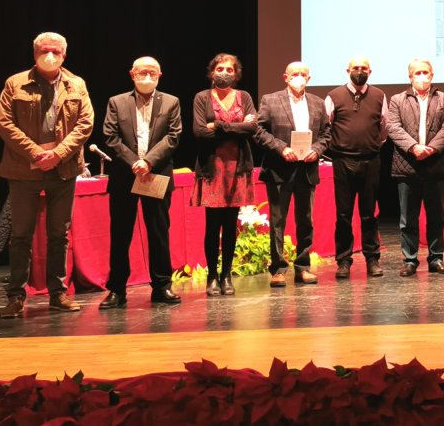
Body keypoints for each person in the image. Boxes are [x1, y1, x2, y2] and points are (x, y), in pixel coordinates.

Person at [0, 32, 94, 318]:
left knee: (58, 234)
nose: (49, 55)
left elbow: (85, 123)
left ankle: (57, 293)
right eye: (43, 50)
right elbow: (5, 124)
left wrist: (58, 154)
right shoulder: (15, 83)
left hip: (62, 170)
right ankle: (16, 296)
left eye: (54, 51)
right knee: (21, 235)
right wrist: (36, 153)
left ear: (64, 55)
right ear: (34, 53)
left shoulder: (77, 84)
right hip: (23, 169)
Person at [100, 56, 183, 309]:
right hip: (125, 176)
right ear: (132, 74)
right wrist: (134, 161)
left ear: (160, 75)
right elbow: (110, 136)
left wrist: (148, 162)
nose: (147, 76)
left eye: (152, 72)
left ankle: (161, 286)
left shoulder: (171, 102)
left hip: (156, 174)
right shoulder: (117, 102)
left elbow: (173, 136)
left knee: (158, 231)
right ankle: (116, 289)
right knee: (121, 233)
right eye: (142, 72)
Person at [255, 61, 331, 288]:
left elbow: (327, 133)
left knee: (305, 220)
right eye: (294, 74)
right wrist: (281, 148)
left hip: (306, 169)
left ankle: (303, 267)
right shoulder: (270, 100)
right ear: (285, 77)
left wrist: (316, 150)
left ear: (309, 78)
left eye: (303, 74)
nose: (299, 77)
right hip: (279, 169)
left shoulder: (318, 103)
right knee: (278, 221)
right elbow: (259, 131)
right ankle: (278, 269)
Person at [192, 53, 257, 296]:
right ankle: (211, 276)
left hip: (237, 169)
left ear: (236, 74)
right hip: (212, 169)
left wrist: (219, 126)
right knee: (212, 226)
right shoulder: (201, 97)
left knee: (231, 226)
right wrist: (237, 128)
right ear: (211, 72)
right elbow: (199, 132)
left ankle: (226, 275)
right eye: (220, 68)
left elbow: (252, 128)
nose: (224, 73)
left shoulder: (245, 97)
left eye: (230, 70)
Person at [388, 59, 444, 276]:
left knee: (436, 216)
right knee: (408, 217)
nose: (422, 76)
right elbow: (393, 126)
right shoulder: (397, 99)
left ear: (432, 75)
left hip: (434, 165)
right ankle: (410, 259)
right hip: (407, 165)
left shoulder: (443, 98)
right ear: (410, 77)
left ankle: (436, 258)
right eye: (417, 73)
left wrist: (432, 148)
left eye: (425, 72)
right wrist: (414, 147)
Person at [324, 56, 388, 279]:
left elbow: (383, 127)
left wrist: (370, 144)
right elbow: (326, 126)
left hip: (371, 160)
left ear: (370, 71)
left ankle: (372, 259)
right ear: (347, 70)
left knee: (369, 214)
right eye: (355, 68)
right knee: (343, 214)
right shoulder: (334, 96)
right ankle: (343, 260)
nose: (359, 71)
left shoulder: (379, 95)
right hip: (342, 161)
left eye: (363, 68)